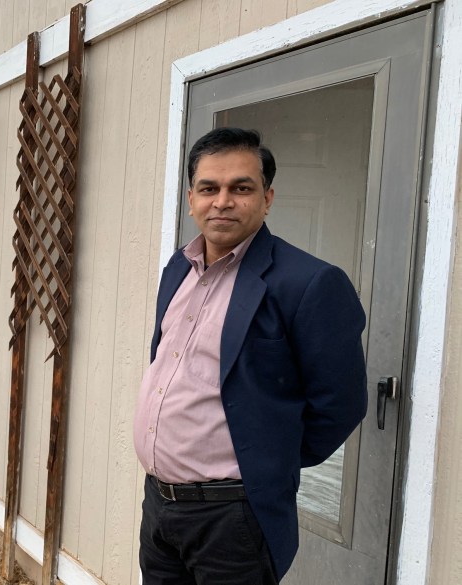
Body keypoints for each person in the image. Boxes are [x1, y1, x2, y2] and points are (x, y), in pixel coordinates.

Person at [133, 127, 367, 584]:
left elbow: (341, 403)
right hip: (160, 507)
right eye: (209, 188)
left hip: (234, 518)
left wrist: (269, 458)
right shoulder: (179, 267)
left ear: (267, 198)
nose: (222, 201)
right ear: (191, 198)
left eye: (241, 188)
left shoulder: (308, 283)